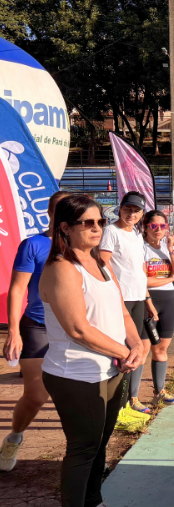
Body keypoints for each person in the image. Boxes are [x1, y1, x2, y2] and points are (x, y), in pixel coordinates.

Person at [40, 195, 143, 507]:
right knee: (82, 449)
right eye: (87, 222)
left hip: (110, 370)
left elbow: (122, 312)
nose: (97, 228)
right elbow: (78, 330)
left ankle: (93, 505)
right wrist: (125, 353)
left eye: (100, 221)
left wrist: (137, 343)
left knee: (99, 444)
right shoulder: (60, 268)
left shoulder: (101, 263)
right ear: (65, 228)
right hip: (75, 374)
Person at [1, 190, 71, 472]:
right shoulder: (34, 244)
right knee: (37, 395)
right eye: (59, 210)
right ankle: (14, 437)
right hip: (38, 326)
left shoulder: (86, 246)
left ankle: (77, 459)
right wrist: (13, 331)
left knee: (76, 393)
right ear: (50, 213)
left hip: (74, 330)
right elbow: (17, 289)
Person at [99, 191, 152, 413]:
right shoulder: (111, 231)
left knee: (136, 348)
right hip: (121, 299)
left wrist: (147, 297)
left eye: (136, 210)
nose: (132, 214)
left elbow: (139, 269)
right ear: (119, 209)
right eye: (128, 209)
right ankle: (115, 406)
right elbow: (102, 262)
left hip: (138, 296)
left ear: (142, 214)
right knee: (120, 351)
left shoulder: (137, 234)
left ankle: (130, 400)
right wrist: (116, 291)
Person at [139, 210, 174, 407]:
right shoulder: (140, 248)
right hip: (146, 301)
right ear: (145, 227)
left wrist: (172, 249)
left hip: (168, 302)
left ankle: (159, 392)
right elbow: (141, 281)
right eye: (154, 226)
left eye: (162, 226)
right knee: (141, 350)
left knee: (161, 349)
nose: (158, 230)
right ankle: (132, 398)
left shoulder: (168, 249)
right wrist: (168, 279)